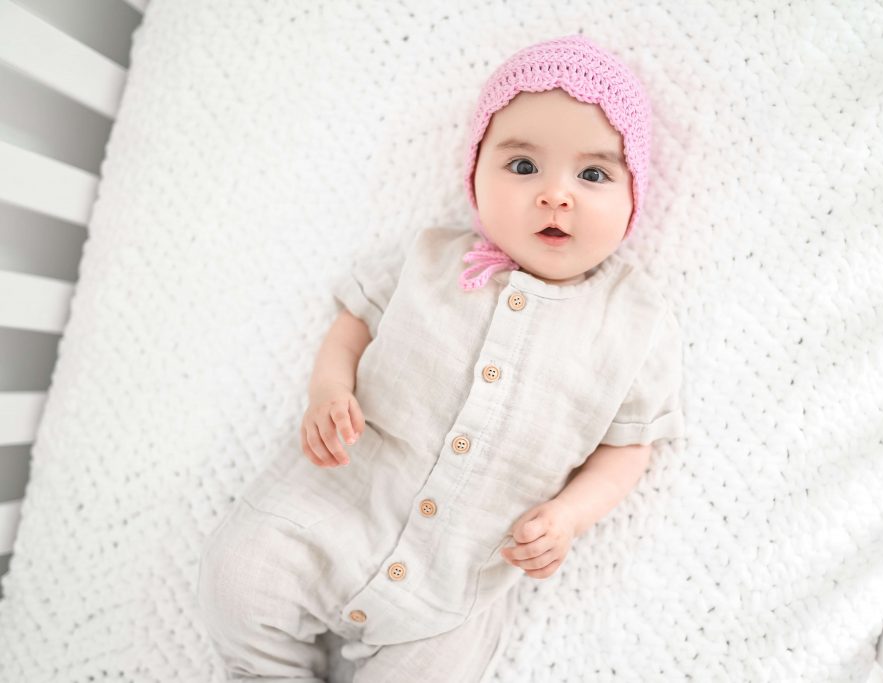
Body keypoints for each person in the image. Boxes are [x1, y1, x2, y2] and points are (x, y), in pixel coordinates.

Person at [196, 33, 685, 682]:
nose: (556, 195)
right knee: (237, 578)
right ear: (475, 175)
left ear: (633, 198)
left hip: (456, 576)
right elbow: (352, 325)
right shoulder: (430, 256)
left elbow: (628, 448)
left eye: (593, 174)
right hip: (333, 507)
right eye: (522, 166)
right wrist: (328, 390)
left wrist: (569, 515)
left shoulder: (634, 320)